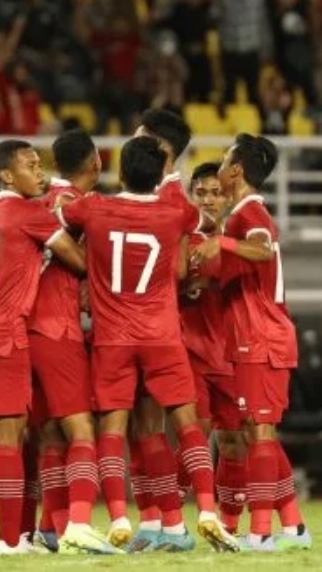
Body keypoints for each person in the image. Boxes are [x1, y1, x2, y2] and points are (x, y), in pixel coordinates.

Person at [57, 136, 240, 554]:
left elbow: (60, 210)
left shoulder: (94, 208)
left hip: (112, 339)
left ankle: (120, 515)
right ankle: (207, 510)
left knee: (114, 429)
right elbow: (208, 222)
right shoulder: (176, 212)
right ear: (158, 176)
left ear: (119, 173)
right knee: (188, 426)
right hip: (162, 336)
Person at [0, 140, 88, 556]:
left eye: (40, 164)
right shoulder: (30, 213)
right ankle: (10, 542)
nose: (40, 172)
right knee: (10, 437)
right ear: (7, 175)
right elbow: (77, 260)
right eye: (30, 165)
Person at [191, 133, 311, 552]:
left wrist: (219, 242)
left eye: (224, 163)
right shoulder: (239, 217)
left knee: (258, 432)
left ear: (236, 170)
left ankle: (261, 531)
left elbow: (261, 251)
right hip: (253, 337)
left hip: (261, 337)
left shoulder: (250, 213)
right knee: (255, 431)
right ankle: (292, 526)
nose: (220, 170)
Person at [26, 130, 113, 554]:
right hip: (57, 329)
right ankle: (78, 523)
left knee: (51, 436)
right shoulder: (81, 206)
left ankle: (51, 530)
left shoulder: (35, 201)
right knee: (82, 431)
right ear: (95, 162)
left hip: (25, 330)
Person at [123, 108, 195, 552]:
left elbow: (182, 269)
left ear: (159, 147)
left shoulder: (173, 202)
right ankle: (152, 521)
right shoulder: (157, 194)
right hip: (140, 327)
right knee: (140, 430)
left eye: (138, 135)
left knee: (153, 429)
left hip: (156, 330)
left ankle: (172, 522)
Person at [181, 162, 248, 536]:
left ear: (227, 196)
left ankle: (229, 526)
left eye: (215, 192)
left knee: (233, 441)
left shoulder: (241, 242)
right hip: (189, 351)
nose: (207, 199)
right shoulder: (183, 239)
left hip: (230, 354)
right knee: (195, 433)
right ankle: (171, 521)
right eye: (200, 192)